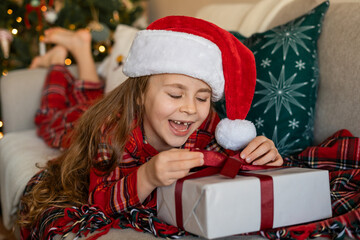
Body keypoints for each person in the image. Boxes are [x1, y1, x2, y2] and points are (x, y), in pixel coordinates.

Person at [19, 16, 283, 239]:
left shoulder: (206, 123)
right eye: (175, 95)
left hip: (111, 106)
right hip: (81, 123)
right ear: (140, 94)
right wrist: (146, 177)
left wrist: (257, 157)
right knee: (52, 118)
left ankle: (80, 51)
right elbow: (98, 200)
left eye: (202, 98)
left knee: (91, 98)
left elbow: (228, 166)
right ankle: (59, 60)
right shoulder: (111, 130)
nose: (191, 109)